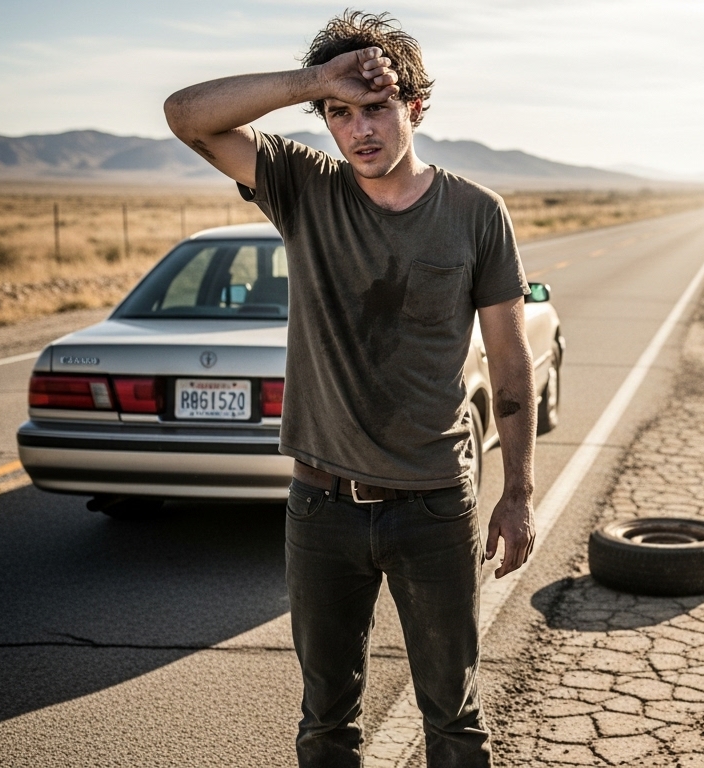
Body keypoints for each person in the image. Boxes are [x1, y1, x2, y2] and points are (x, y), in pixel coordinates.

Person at [164, 11, 535, 768]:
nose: (359, 128)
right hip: (321, 505)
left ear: (415, 108)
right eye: (340, 111)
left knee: (453, 717)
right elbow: (185, 116)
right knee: (326, 721)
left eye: (376, 107)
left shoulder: (475, 214)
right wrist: (311, 80)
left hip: (434, 505)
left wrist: (519, 491)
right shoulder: (303, 186)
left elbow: (511, 363)